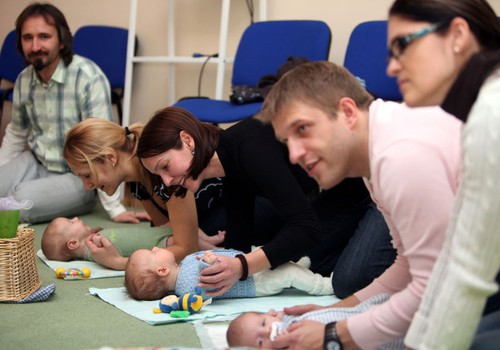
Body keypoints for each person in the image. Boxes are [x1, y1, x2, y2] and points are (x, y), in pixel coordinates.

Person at [255, 61, 462, 349]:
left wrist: (334, 335)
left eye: (302, 128)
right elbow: (407, 264)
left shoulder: (400, 157)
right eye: (287, 141)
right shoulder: (375, 153)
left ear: (348, 112)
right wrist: (338, 314)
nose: (293, 154)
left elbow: (432, 288)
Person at [137, 106, 396, 300]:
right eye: (159, 176)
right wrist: (216, 269)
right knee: (297, 262)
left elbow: (305, 227)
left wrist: (241, 266)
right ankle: (366, 237)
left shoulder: (248, 148)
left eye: (166, 167)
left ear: (187, 141)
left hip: (381, 181)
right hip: (346, 191)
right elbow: (238, 243)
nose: (168, 181)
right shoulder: (227, 164)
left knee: (345, 283)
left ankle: (406, 241)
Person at [386, 1, 500, 349]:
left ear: (458, 35)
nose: (391, 67)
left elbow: (469, 273)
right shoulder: (482, 106)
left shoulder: (491, 112)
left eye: (402, 45)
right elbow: (454, 251)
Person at [0, 2, 141, 224]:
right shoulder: (24, 80)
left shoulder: (88, 78)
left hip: (77, 177)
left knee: (18, 202)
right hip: (36, 162)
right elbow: (17, 133)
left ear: (62, 39)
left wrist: (114, 208)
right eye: (28, 38)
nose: (35, 45)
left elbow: (104, 146)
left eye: (44, 36)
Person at [63, 117, 226, 266]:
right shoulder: (136, 183)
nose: (87, 186)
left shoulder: (165, 171)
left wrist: (119, 262)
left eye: (87, 175)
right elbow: (165, 234)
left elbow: (185, 250)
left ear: (110, 157)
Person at [124, 248, 333, 301]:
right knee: (286, 274)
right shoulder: (186, 288)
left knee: (267, 254)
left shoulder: (184, 265)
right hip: (251, 284)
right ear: (162, 270)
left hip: (245, 266)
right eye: (153, 252)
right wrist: (212, 262)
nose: (155, 247)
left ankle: (298, 266)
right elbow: (207, 288)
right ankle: (322, 285)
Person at [41, 216, 225, 269]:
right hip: (157, 243)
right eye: (71, 223)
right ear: (72, 244)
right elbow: (105, 256)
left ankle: (208, 239)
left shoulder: (91, 236)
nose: (75, 218)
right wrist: (97, 240)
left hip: (153, 233)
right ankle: (215, 248)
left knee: (181, 225)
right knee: (181, 238)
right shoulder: (91, 251)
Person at [226, 294, 401, 349]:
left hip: (370, 313)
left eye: (264, 323)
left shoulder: (288, 319)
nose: (267, 332)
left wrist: (280, 316)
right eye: (260, 342)